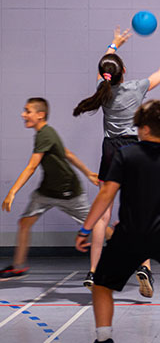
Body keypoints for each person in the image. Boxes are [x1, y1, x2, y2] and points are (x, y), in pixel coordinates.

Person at [75, 100, 160, 343]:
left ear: (146, 128)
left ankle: (104, 337)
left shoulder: (125, 156)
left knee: (102, 286)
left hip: (131, 233)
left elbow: (106, 194)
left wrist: (86, 227)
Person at [73, 26, 160, 296]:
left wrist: (114, 44)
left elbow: (104, 68)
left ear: (106, 76)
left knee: (102, 213)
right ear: (125, 73)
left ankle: (94, 271)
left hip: (110, 151)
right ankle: (144, 266)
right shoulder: (136, 87)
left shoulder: (102, 90)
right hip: (134, 150)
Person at [0, 98, 98, 280]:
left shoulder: (46, 133)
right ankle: (18, 267)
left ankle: (135, 254)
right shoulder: (45, 133)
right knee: (25, 223)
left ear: (40, 115)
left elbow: (31, 167)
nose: (23, 114)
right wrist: (88, 173)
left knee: (98, 224)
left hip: (68, 191)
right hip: (46, 191)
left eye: (27, 111)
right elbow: (67, 153)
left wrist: (12, 192)